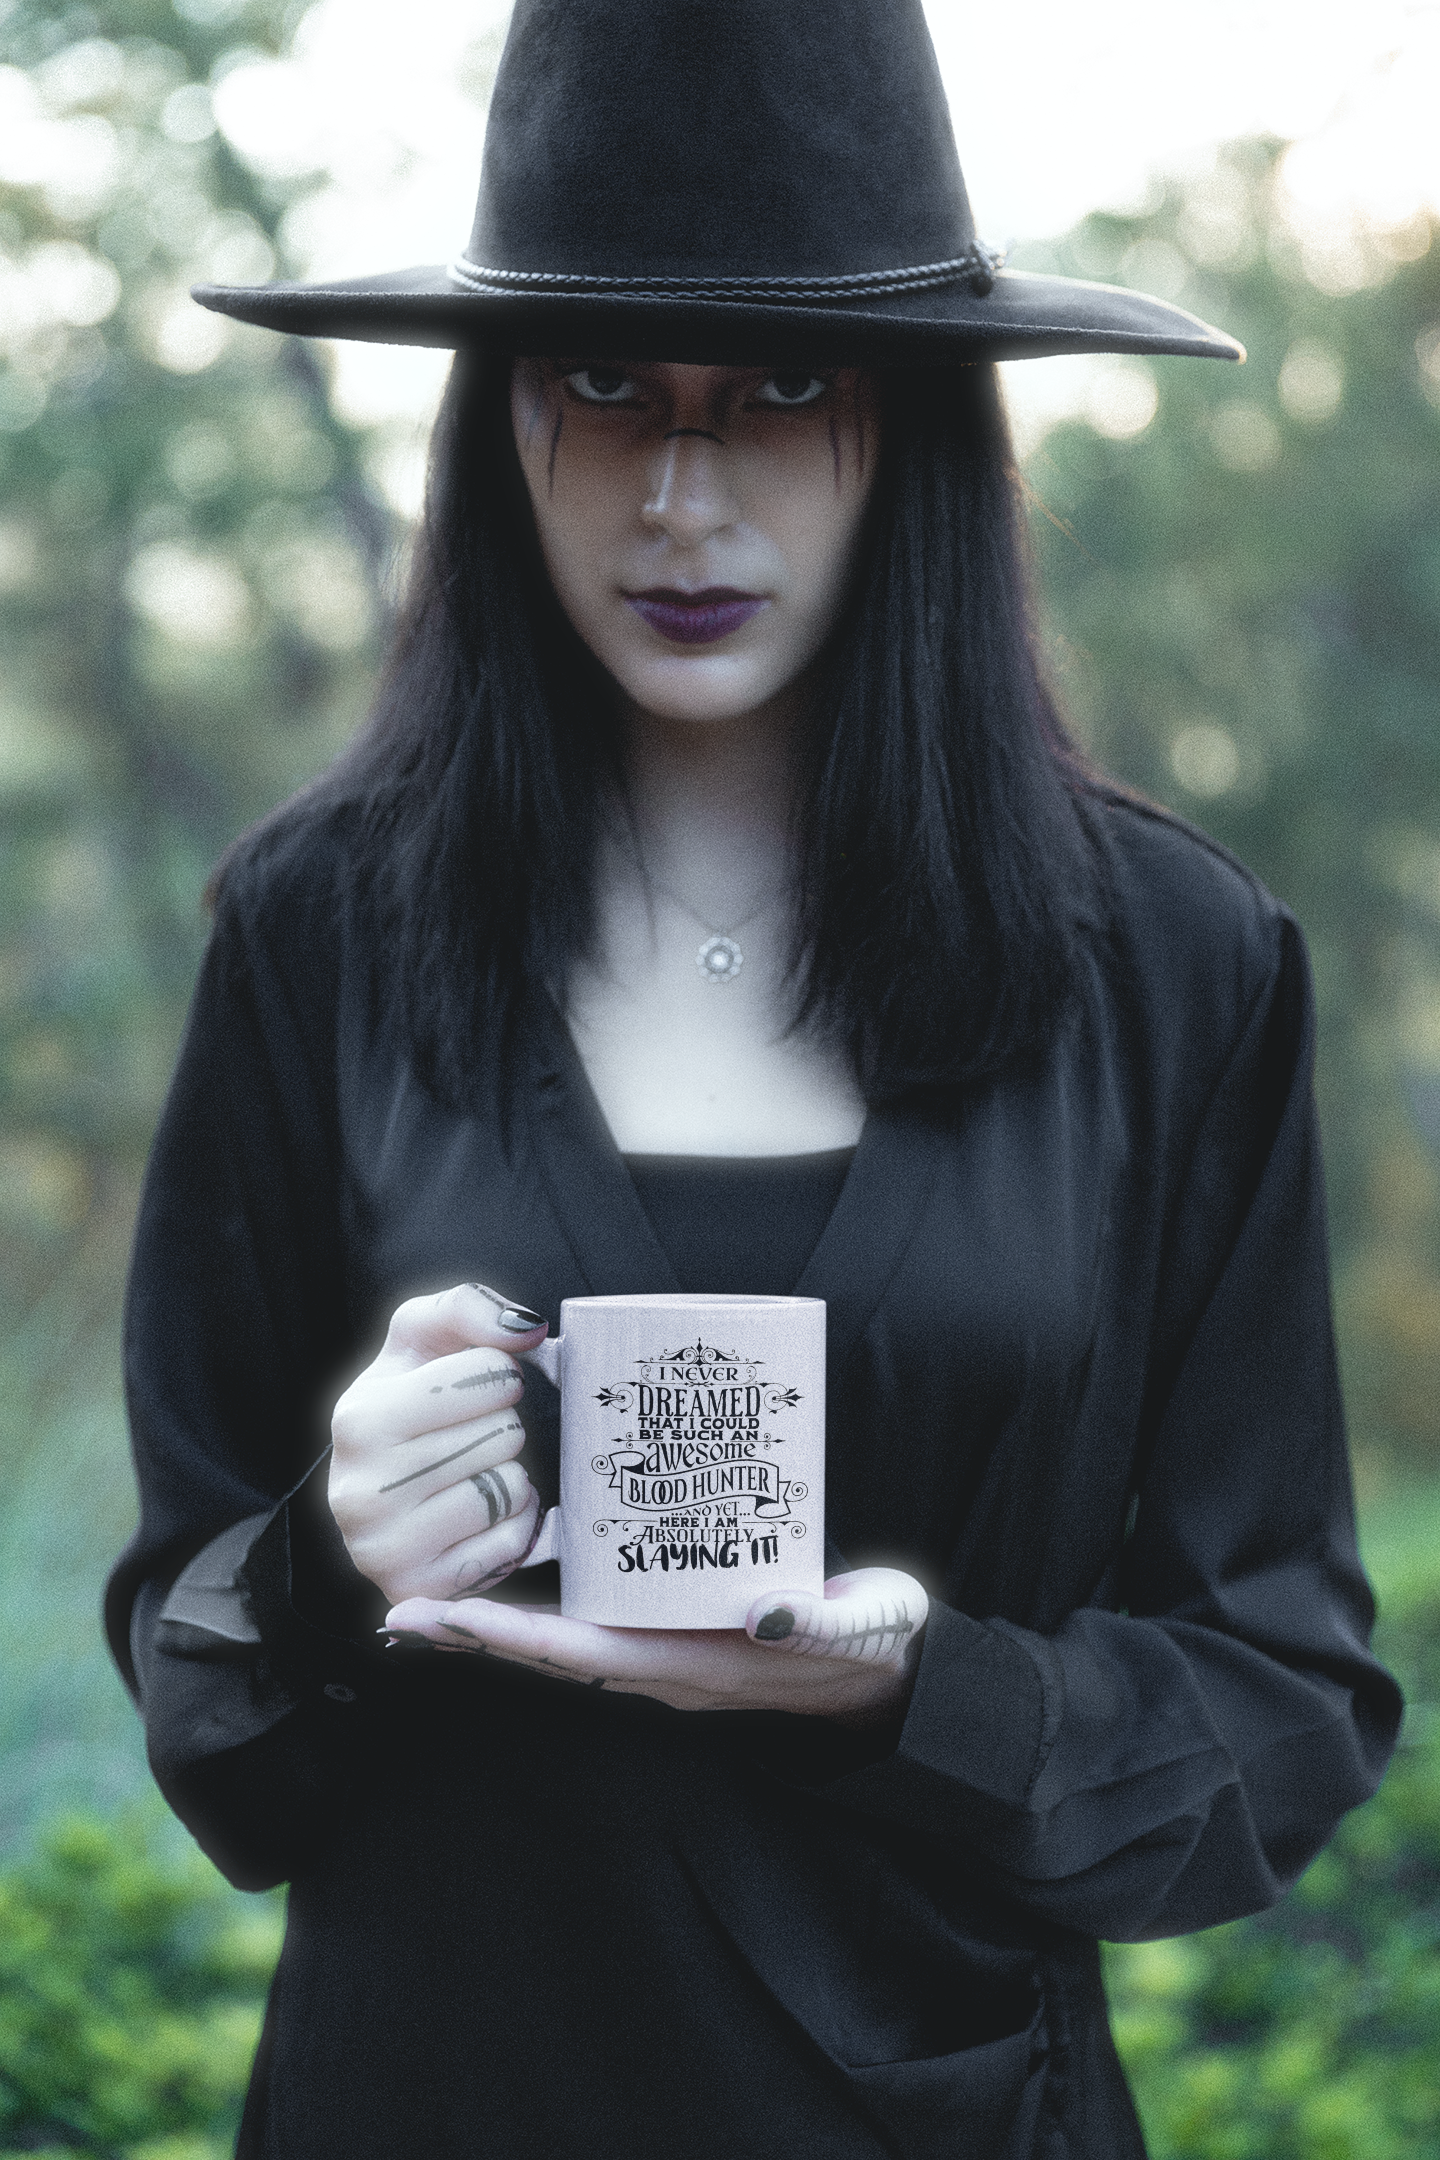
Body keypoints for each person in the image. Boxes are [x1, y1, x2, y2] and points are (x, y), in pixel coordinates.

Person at [105, 2, 1402, 2155]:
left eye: (779, 386)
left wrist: (924, 1691)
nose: (681, 496)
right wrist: (332, 1555)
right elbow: (199, 1680)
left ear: (912, 425)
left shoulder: (1172, 966)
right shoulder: (315, 935)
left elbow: (1289, 1703)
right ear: (494, 415)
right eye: (606, 384)